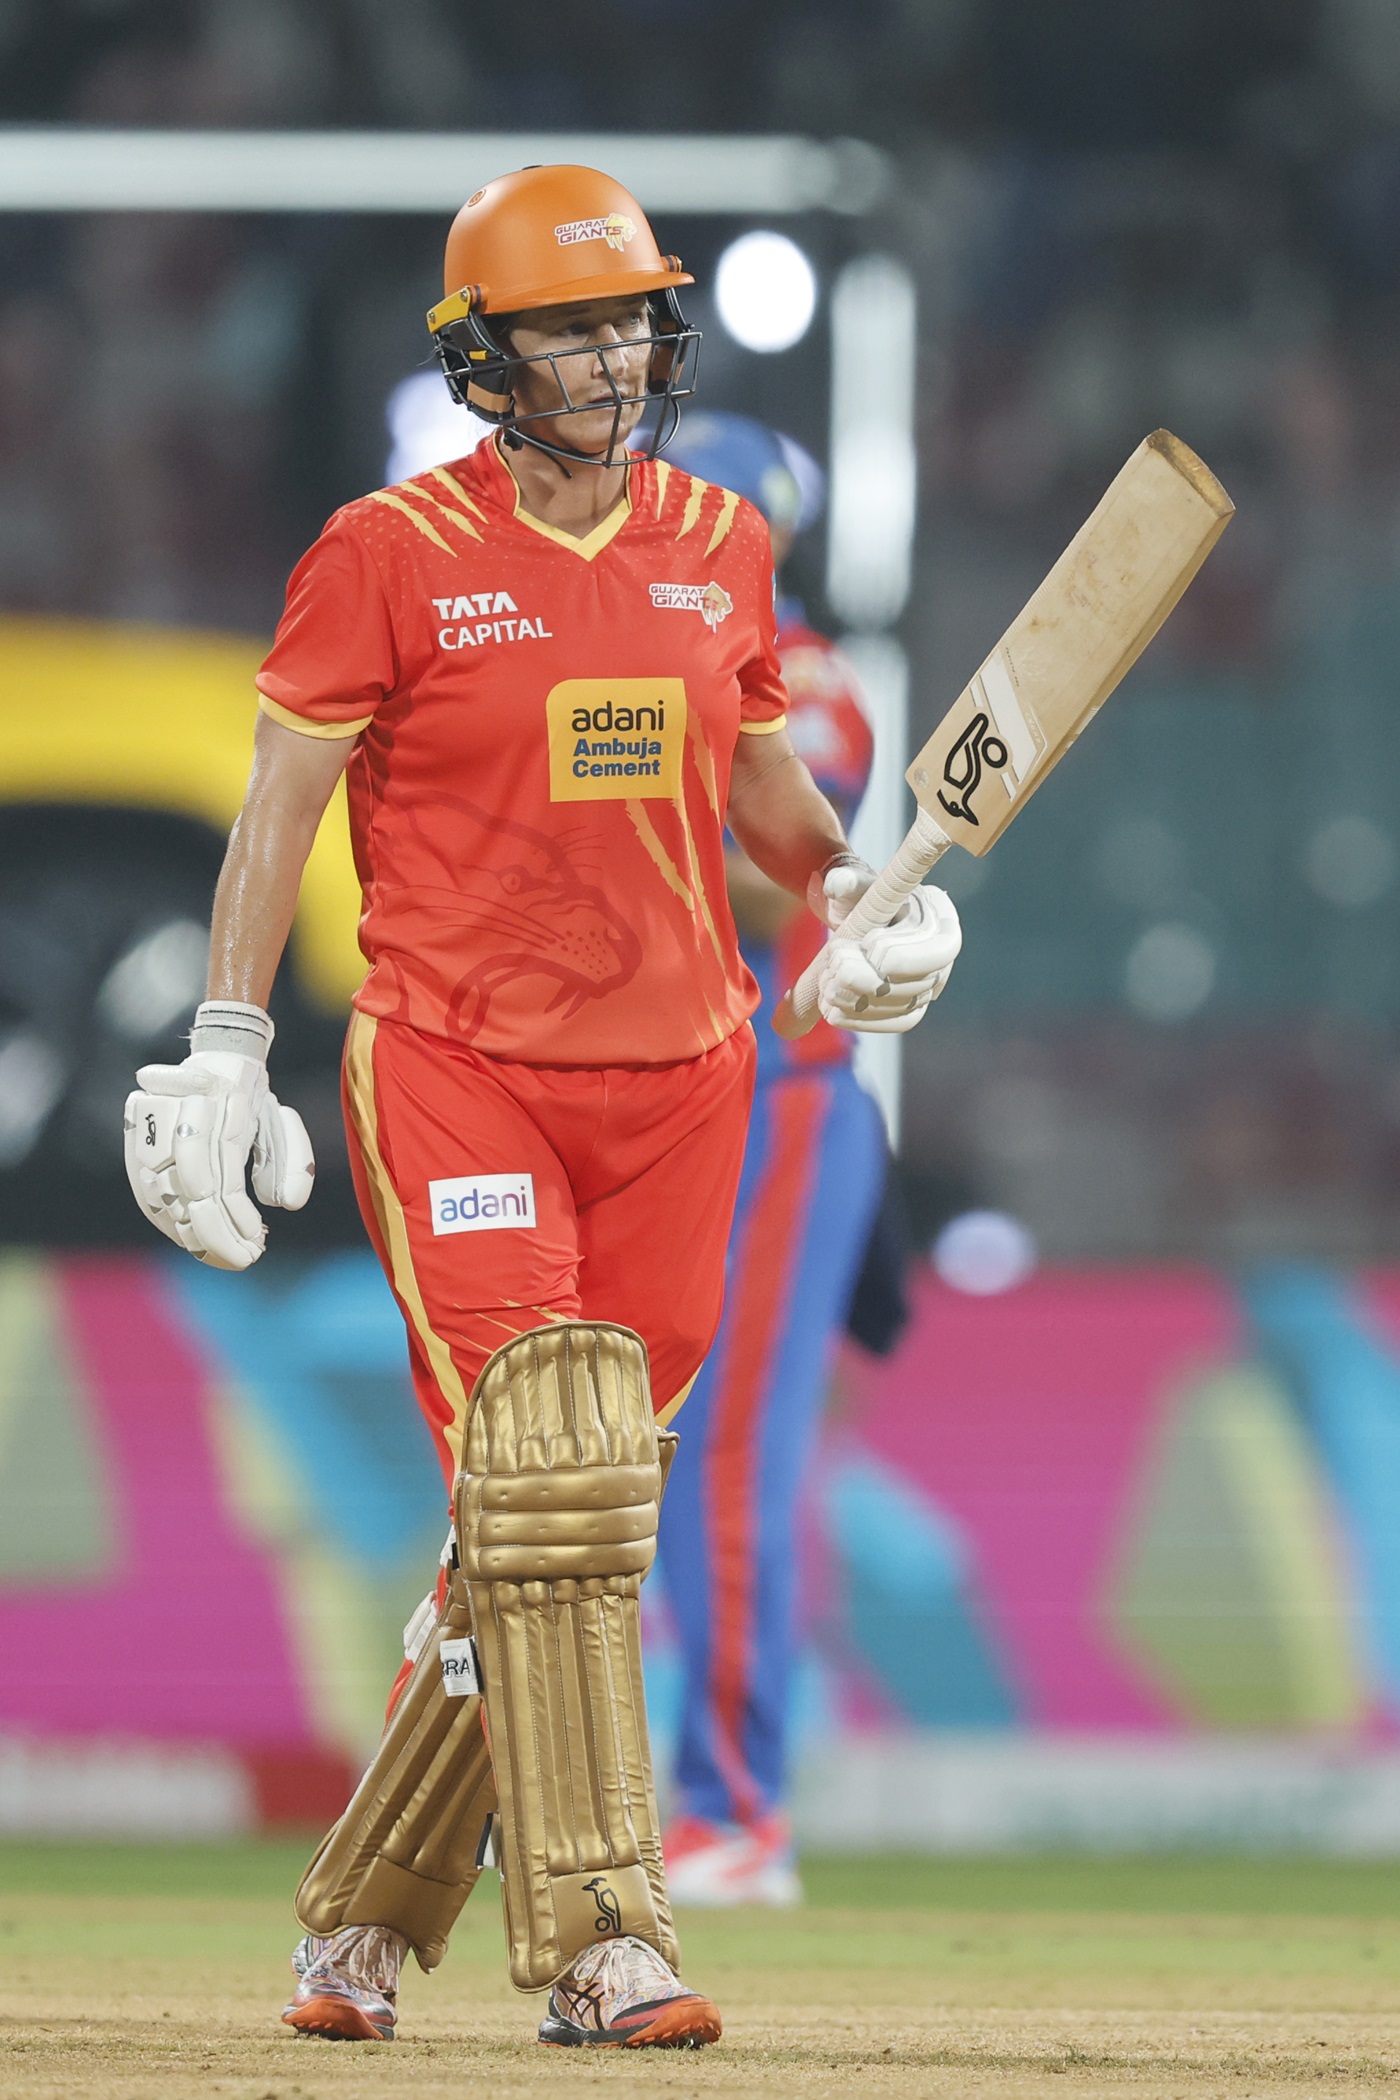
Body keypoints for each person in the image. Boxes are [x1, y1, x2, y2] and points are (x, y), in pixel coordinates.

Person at [122, 165, 961, 2050]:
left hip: (687, 1089)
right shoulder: (386, 551)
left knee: (555, 1530)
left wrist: (848, 890)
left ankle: (361, 1922)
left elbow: (759, 787)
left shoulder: (716, 539)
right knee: (551, 1483)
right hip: (458, 1070)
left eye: (631, 321)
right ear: (485, 357)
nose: (612, 357)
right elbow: (279, 807)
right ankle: (607, 1940)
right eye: (571, 328)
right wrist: (230, 1040)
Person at [653, 414, 888, 1905]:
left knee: (727, 1460)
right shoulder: (635, 651)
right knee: (610, 1460)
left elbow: (760, 875)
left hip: (781, 1099)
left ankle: (736, 1810)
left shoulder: (800, 678)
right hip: (656, 1093)